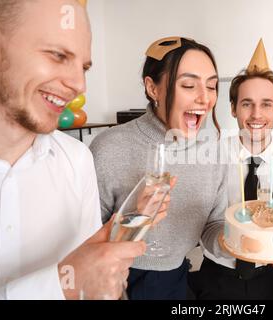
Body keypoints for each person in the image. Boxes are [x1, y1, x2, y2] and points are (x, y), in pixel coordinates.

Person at [0, 0, 149, 299]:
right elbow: (73, 281)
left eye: (84, 67)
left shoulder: (77, 160)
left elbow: (89, 275)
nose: (79, 84)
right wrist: (63, 284)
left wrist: (104, 270)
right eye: (57, 55)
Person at [89, 36, 228, 300]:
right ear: (153, 88)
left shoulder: (214, 152)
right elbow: (85, 241)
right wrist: (134, 215)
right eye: (189, 85)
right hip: (116, 280)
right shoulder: (109, 147)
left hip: (178, 277)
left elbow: (213, 225)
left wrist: (233, 239)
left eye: (211, 87)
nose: (205, 98)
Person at [188, 39, 273, 300]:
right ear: (233, 108)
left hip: (270, 277)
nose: (256, 114)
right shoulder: (209, 157)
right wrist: (234, 242)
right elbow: (199, 225)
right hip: (217, 275)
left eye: (266, 104)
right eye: (247, 103)